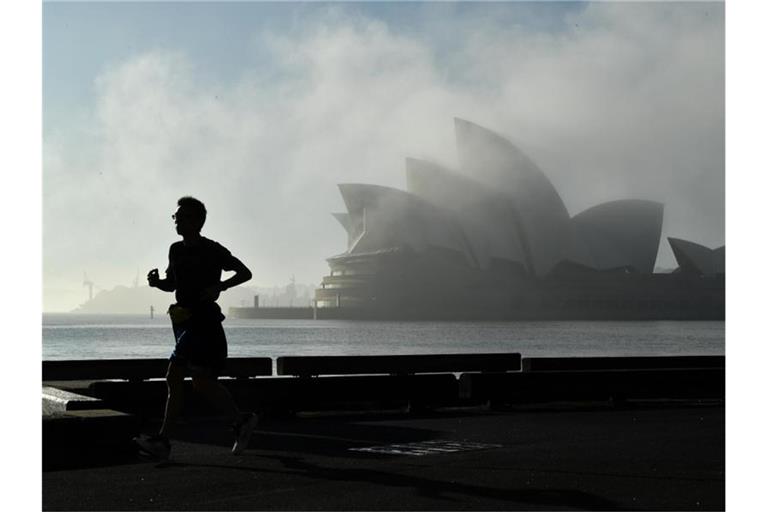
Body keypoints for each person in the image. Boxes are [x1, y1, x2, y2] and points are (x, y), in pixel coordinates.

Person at [134, 196, 256, 460]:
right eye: (175, 216)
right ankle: (241, 421)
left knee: (173, 376)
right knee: (201, 382)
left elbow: (245, 272)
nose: (176, 220)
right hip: (183, 321)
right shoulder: (175, 250)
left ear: (197, 221)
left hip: (203, 321)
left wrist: (219, 286)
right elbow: (173, 283)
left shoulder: (212, 250)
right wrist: (157, 283)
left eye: (181, 216)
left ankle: (163, 441)